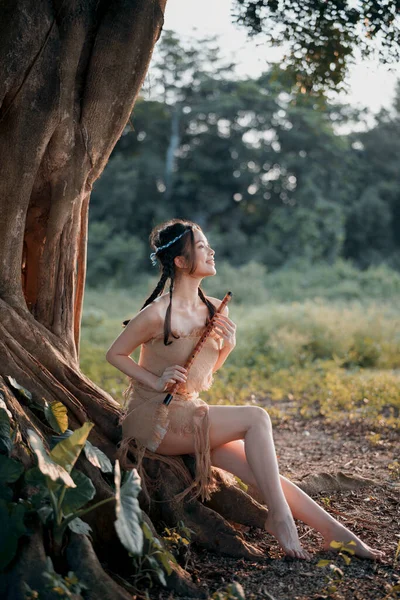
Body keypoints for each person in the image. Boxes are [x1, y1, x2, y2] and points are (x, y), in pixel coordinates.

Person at [106, 218, 385, 562]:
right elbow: (115, 354)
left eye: (208, 245)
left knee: (266, 476)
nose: (211, 251)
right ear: (180, 261)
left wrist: (227, 348)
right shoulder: (157, 313)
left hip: (187, 411)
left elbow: (201, 374)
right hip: (155, 417)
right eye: (202, 246)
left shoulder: (212, 308)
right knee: (256, 417)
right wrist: (155, 380)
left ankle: (337, 535)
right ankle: (280, 520)